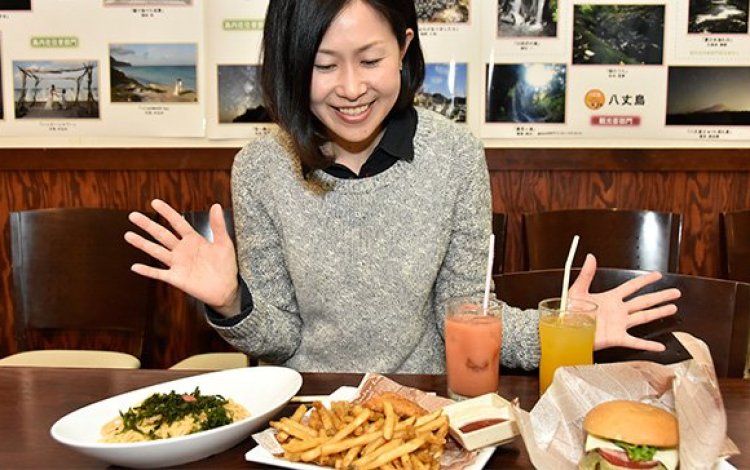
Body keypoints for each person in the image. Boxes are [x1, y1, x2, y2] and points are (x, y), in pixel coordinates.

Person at [125, 0, 680, 373]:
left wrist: (568, 329)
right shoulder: (261, 166)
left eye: (371, 60)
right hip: (309, 417)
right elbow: (281, 339)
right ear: (291, 66)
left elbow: (466, 315)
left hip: (427, 408)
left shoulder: (455, 155)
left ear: (405, 47)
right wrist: (232, 301)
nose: (350, 89)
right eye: (323, 66)